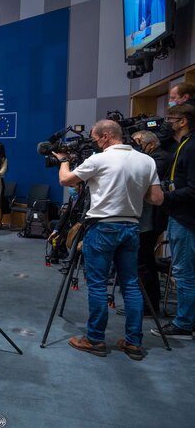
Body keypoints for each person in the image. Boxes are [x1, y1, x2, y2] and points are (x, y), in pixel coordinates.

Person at [54, 120, 163, 360]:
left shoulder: (99, 159)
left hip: (103, 227)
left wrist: (63, 161)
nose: (94, 144)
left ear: (105, 137)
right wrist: (131, 191)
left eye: (94, 139)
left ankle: (94, 339)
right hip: (132, 228)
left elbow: (66, 180)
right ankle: (134, 343)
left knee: (97, 285)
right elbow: (156, 198)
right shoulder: (146, 161)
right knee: (131, 285)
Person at [152, 104, 195, 340]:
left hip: (185, 219)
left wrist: (164, 196)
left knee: (184, 272)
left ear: (183, 121)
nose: (167, 122)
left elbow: (192, 189)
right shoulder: (183, 146)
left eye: (171, 118)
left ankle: (184, 323)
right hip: (180, 215)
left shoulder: (191, 148)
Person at [129, 131, 170, 316]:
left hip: (152, 218)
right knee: (142, 261)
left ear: (150, 144)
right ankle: (145, 303)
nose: (135, 148)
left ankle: (149, 305)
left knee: (143, 262)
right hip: (146, 216)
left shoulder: (158, 159)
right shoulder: (150, 157)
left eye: (138, 143)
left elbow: (144, 184)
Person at [158, 82, 195, 152]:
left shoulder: (181, 112)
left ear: (185, 97)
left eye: (173, 98)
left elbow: (162, 137)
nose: (169, 101)